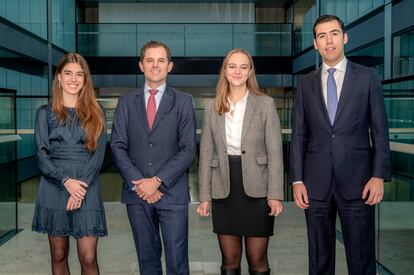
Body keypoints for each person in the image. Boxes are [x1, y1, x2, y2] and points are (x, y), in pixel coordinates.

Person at [289, 15, 391, 275]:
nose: (329, 41)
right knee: (319, 259)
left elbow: (380, 131)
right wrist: (297, 180)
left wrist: (378, 175)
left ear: (344, 38)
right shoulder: (306, 84)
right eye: (322, 36)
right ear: (315, 44)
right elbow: (299, 135)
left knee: (361, 259)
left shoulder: (367, 77)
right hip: (315, 184)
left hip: (359, 183)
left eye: (334, 34)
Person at [110, 40, 196, 275]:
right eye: (150, 60)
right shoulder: (126, 102)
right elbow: (117, 146)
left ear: (170, 66)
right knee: (147, 262)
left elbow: (188, 149)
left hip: (172, 193)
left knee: (178, 263)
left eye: (161, 60)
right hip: (136, 195)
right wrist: (140, 183)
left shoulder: (184, 101)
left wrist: (157, 180)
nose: (155, 65)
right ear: (141, 65)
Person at [197, 48, 284, 275]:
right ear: (225, 71)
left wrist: (275, 194)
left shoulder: (265, 104)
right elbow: (206, 154)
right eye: (232, 66)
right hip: (224, 188)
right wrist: (204, 197)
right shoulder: (212, 107)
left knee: (257, 258)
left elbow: (275, 152)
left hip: (258, 189)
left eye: (243, 66)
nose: (237, 71)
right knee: (230, 259)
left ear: (250, 71)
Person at [32, 53, 107, 275]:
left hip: (86, 187)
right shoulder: (44, 114)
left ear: (85, 80)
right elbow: (41, 154)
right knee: (58, 254)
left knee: (89, 257)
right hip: (54, 185)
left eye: (79, 74)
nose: (73, 79)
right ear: (59, 77)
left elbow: (99, 155)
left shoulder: (96, 113)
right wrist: (65, 181)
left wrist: (79, 187)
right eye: (68, 73)